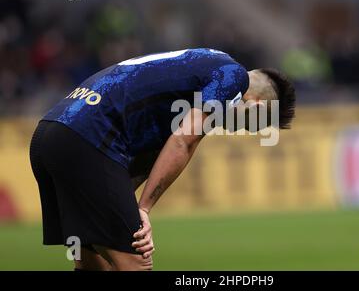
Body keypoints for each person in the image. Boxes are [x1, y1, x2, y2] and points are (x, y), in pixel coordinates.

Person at [29, 48, 296, 271]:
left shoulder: (202, 66)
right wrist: (143, 209)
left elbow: (139, 163)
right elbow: (183, 141)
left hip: (50, 135)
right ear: (257, 106)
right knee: (137, 263)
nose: (238, 130)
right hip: (86, 139)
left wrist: (130, 208)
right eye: (250, 126)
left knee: (93, 265)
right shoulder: (233, 77)